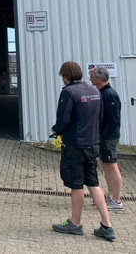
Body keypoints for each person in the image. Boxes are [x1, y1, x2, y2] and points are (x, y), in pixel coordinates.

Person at [50, 61, 116, 241]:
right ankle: (107, 225)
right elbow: (100, 117)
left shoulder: (68, 92)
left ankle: (75, 223)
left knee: (76, 184)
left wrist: (56, 130)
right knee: (93, 183)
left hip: (75, 145)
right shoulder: (95, 91)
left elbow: (63, 120)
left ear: (65, 75)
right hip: (92, 143)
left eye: (61, 75)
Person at [89, 66, 123, 210]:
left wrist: (103, 137)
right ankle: (110, 197)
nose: (90, 78)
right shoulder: (102, 92)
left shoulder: (109, 94)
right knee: (106, 166)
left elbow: (114, 120)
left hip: (108, 138)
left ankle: (116, 200)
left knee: (111, 166)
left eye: (91, 76)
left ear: (98, 78)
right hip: (104, 137)